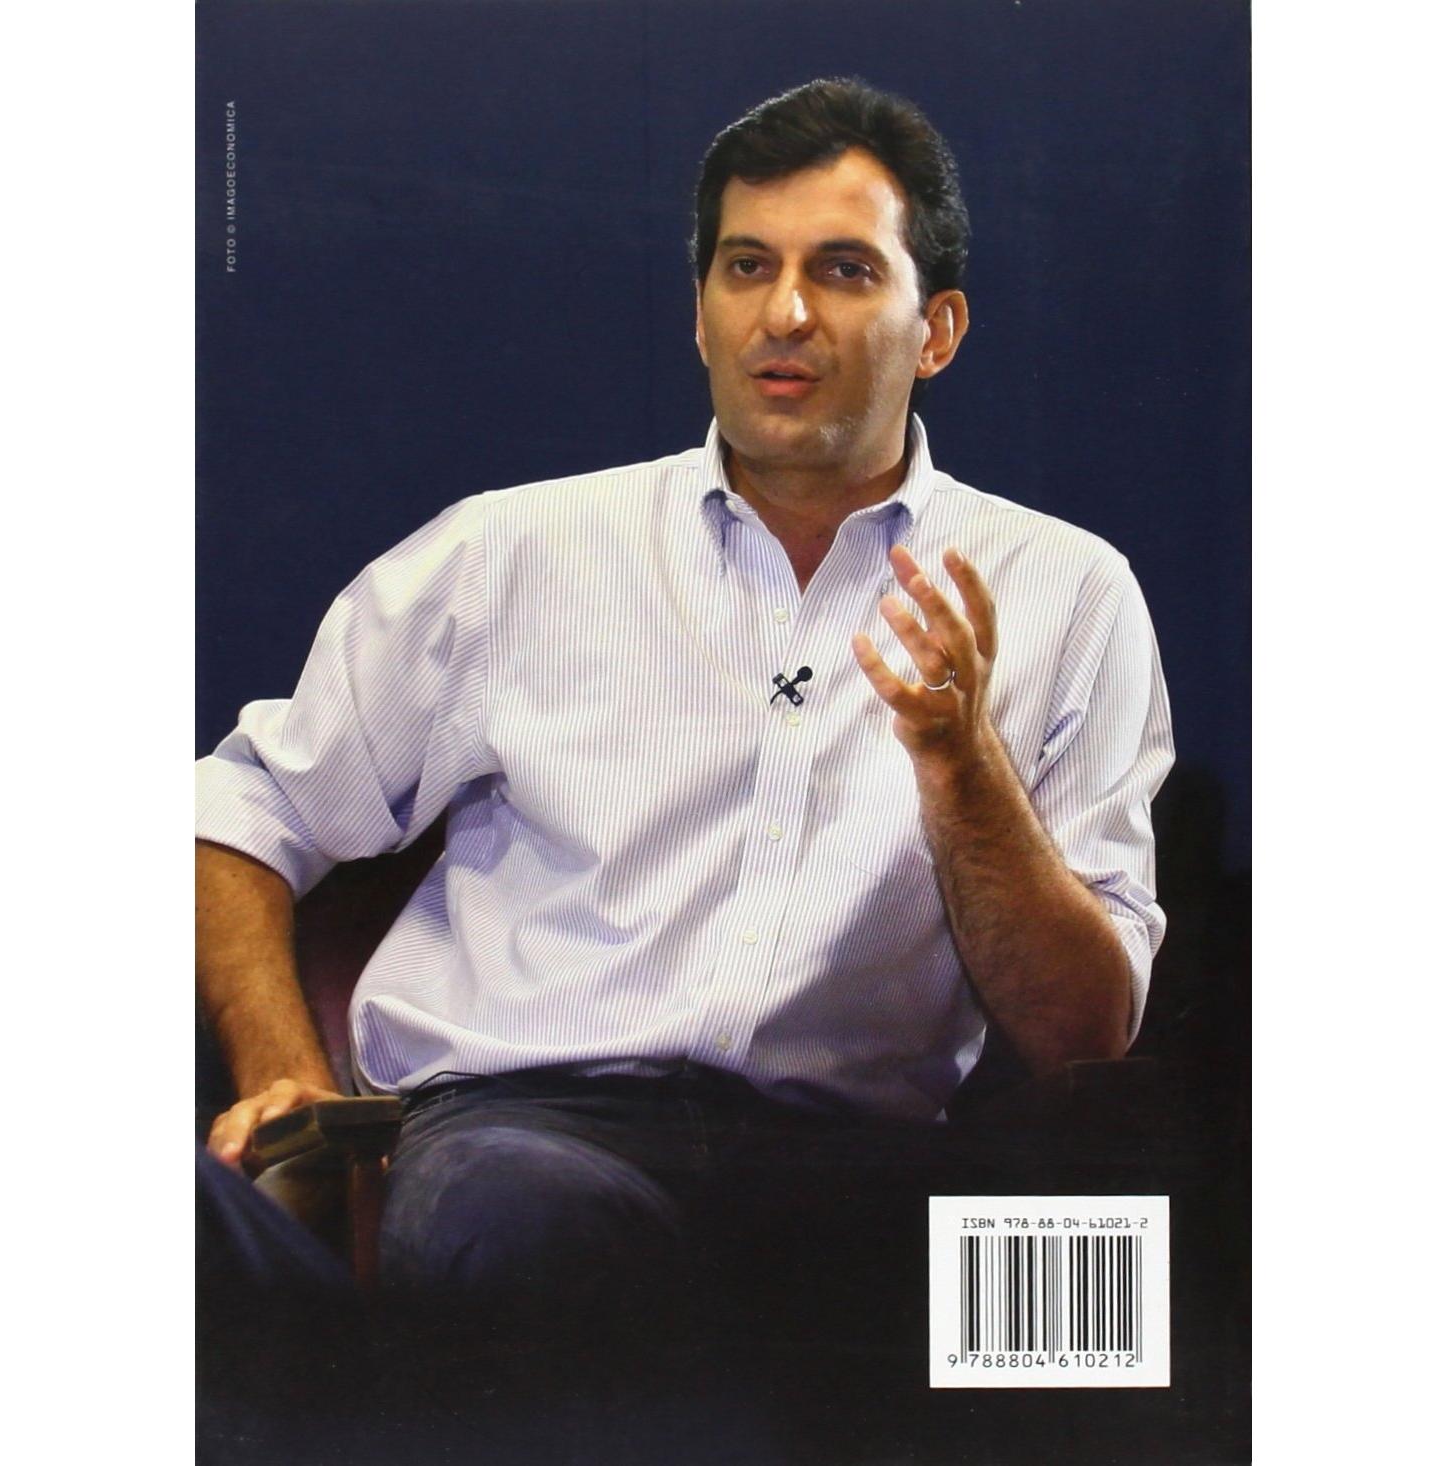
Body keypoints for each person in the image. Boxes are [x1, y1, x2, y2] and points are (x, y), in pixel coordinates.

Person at [197, 77, 1173, 1373]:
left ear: (935, 329)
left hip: (862, 1168)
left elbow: (1084, 1031)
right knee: (517, 1224)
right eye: (746, 267)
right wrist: (288, 1076)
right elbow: (236, 814)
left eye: (841, 270)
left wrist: (960, 762)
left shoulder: (1072, 591)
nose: (785, 313)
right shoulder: (513, 552)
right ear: (699, 311)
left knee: (1104, 1310)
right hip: (529, 1129)